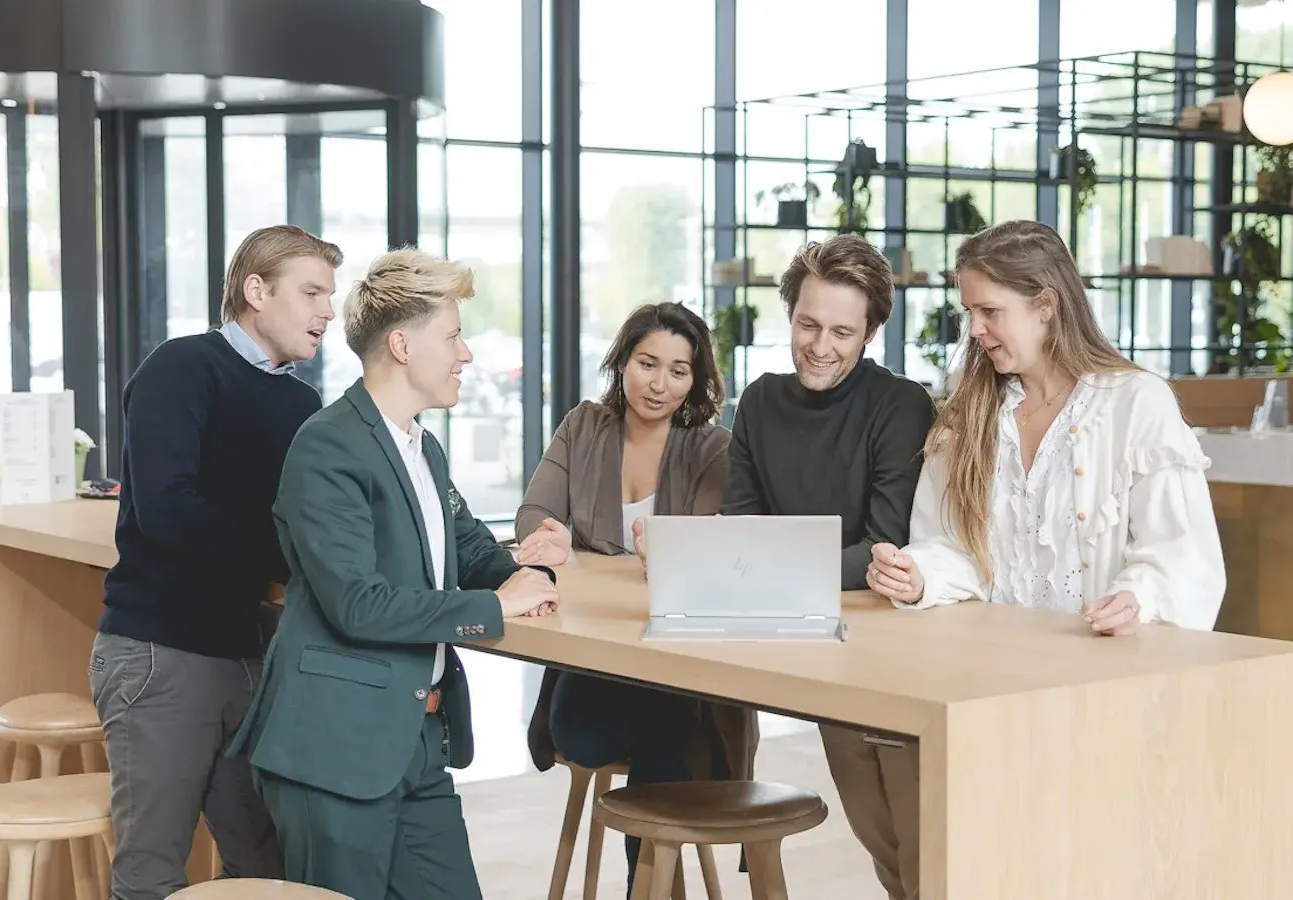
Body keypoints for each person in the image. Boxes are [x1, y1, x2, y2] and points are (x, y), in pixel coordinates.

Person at [865, 220, 1227, 895]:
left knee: (1090, 863)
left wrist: (1141, 596)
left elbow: (1182, 552)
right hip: (989, 692)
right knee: (993, 862)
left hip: (1103, 689)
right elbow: (952, 548)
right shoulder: (968, 415)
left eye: (989, 311)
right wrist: (919, 576)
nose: (974, 328)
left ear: (1046, 305)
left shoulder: (1137, 405)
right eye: (969, 311)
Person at [227, 248, 561, 900]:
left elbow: (466, 549)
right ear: (403, 345)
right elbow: (358, 603)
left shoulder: (420, 446)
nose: (466, 355)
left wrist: (532, 567)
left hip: (417, 740)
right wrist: (499, 607)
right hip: (334, 747)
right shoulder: (326, 446)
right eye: (455, 336)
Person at [91, 225, 341, 898]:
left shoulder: (299, 402)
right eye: (312, 292)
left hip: (250, 650)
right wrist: (292, 552)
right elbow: (168, 510)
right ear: (256, 291)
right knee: (152, 871)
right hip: (162, 650)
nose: (328, 311)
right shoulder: (182, 367)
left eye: (331, 295)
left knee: (264, 862)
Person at [716, 233, 936, 900]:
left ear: (869, 331)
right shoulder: (759, 402)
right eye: (808, 323)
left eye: (843, 330)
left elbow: (885, 542)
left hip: (897, 641)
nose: (820, 344)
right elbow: (739, 529)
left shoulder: (901, 405)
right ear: (790, 314)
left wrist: (771, 565)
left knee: (920, 838)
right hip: (817, 637)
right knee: (876, 833)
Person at [511, 301, 756, 891]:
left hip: (678, 662)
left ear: (696, 380)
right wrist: (550, 537)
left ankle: (640, 887)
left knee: (670, 727)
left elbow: (703, 555)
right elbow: (533, 513)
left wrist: (662, 556)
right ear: (623, 360)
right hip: (598, 659)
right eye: (648, 363)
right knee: (647, 740)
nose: (660, 383)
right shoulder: (583, 426)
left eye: (679, 370)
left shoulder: (710, 448)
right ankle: (652, 885)